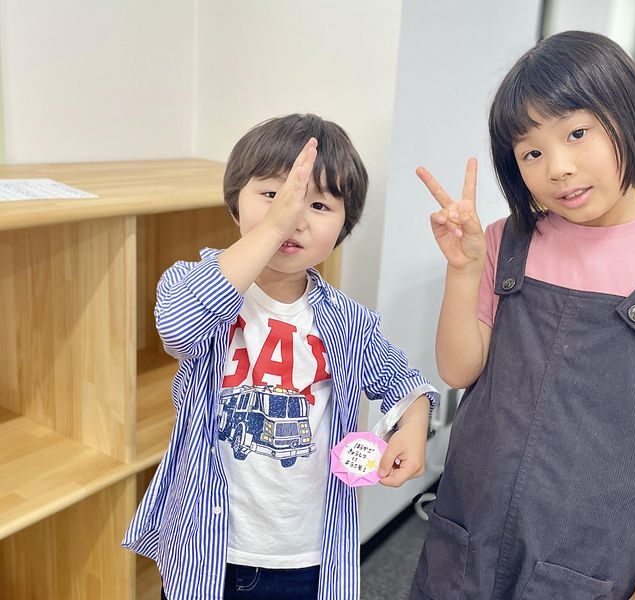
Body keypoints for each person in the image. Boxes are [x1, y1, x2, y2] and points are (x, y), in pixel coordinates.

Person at [411, 31, 635, 600]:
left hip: (587, 558)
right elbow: (458, 370)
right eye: (531, 153)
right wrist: (463, 272)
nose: (559, 168)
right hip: (472, 525)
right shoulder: (505, 243)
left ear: (630, 117)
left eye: (576, 133)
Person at [122, 113, 438, 600]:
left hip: (306, 558)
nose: (293, 217)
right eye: (274, 195)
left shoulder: (348, 321)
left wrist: (414, 423)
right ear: (235, 202)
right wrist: (269, 231)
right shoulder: (194, 283)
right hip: (204, 548)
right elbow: (178, 329)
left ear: (343, 226)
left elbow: (403, 381)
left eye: (318, 204)